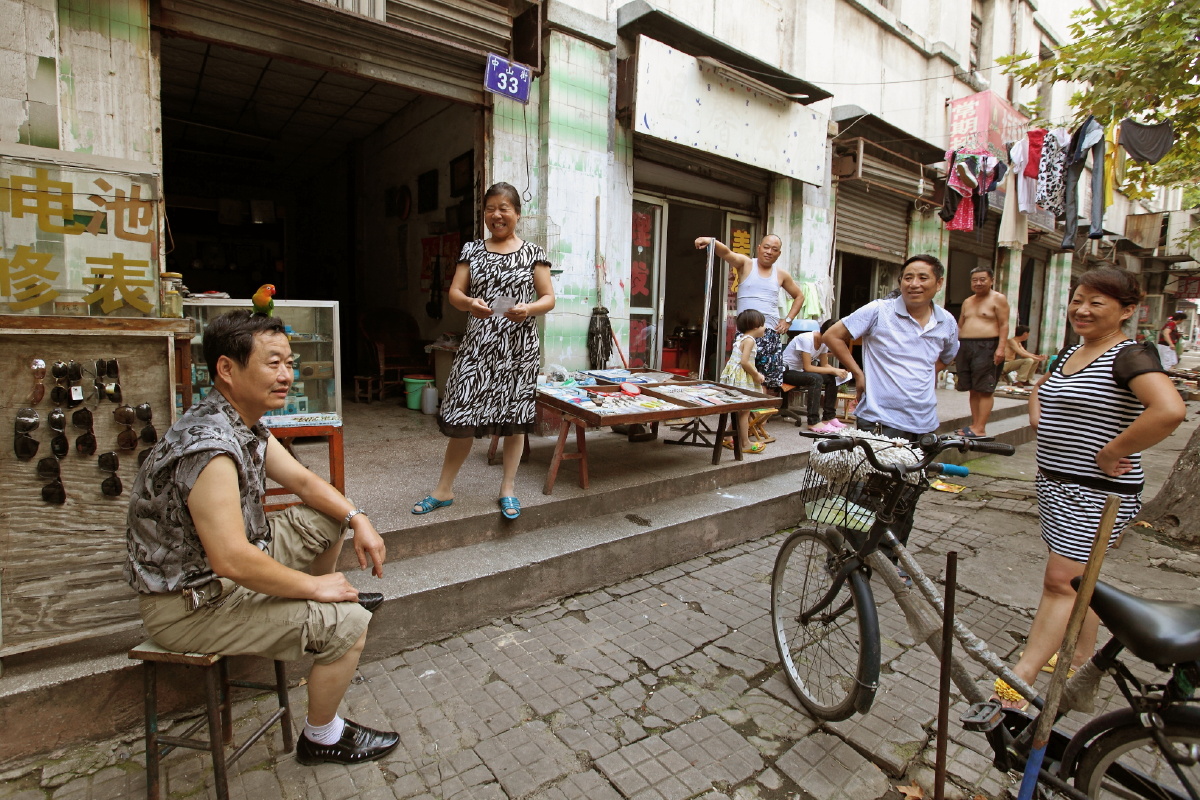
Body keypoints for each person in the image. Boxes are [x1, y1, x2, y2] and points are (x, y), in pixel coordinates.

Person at [124, 310, 399, 766]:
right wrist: (314, 587)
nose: (287, 375)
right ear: (227, 369)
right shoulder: (209, 448)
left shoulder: (239, 420)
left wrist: (358, 518)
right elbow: (231, 560)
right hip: (193, 604)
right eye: (273, 363)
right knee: (351, 628)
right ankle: (322, 737)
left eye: (289, 363)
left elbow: (307, 484)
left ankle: (322, 601)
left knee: (323, 516)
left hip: (233, 565)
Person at [993, 268, 1185, 710]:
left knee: (1061, 582)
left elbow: (1169, 410)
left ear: (1127, 310)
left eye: (1097, 303)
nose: (1082, 309)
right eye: (1078, 299)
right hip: (1057, 484)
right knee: (1083, 581)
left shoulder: (1129, 355)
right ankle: (1082, 661)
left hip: (1098, 490)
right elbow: (1041, 387)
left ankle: (1016, 685)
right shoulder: (1072, 351)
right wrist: (1041, 420)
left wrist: (1113, 449)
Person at [412, 182, 555, 521]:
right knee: (462, 414)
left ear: (517, 214)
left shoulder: (535, 254)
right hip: (477, 348)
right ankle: (443, 490)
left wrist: (529, 309)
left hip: (518, 351)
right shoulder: (471, 250)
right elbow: (455, 293)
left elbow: (548, 297)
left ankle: (508, 489)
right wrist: (469, 303)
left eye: (504, 208)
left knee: (514, 422)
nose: (496, 214)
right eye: (490, 208)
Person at [824, 254, 959, 555]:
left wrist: (917, 379)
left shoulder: (946, 321)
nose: (914, 283)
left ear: (939, 283)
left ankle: (889, 561)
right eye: (908, 277)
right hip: (879, 421)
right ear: (900, 282)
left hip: (923, 425)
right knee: (866, 495)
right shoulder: (879, 311)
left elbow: (946, 358)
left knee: (906, 497)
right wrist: (857, 373)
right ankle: (848, 558)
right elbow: (833, 336)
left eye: (923, 277)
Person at [693, 234, 805, 391]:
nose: (769, 252)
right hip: (746, 334)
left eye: (774, 249)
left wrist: (788, 320)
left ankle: (760, 414)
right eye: (766, 247)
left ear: (779, 254)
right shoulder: (746, 264)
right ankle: (743, 415)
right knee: (741, 377)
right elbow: (727, 253)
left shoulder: (781, 274)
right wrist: (711, 241)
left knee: (767, 382)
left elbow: (799, 296)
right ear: (758, 248)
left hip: (770, 334)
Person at [955, 265, 1010, 437]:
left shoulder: (998, 299)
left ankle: (980, 427)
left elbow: (1004, 324)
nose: (978, 283)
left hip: (988, 346)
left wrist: (1001, 348)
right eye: (974, 280)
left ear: (991, 280)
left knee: (985, 388)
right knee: (972, 388)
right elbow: (960, 324)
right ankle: (974, 425)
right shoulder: (968, 301)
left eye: (982, 279)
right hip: (966, 346)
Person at [781, 319, 849, 433]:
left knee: (831, 378)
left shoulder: (824, 342)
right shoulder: (806, 339)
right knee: (815, 378)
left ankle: (829, 417)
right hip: (786, 372)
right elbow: (808, 367)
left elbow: (824, 365)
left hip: (800, 372)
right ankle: (813, 422)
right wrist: (834, 371)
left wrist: (836, 370)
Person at [719, 308, 769, 454]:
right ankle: (745, 442)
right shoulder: (750, 340)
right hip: (742, 377)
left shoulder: (741, 338)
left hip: (735, 377)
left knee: (740, 411)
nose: (765, 327)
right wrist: (756, 375)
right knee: (745, 411)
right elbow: (745, 362)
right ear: (756, 326)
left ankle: (728, 438)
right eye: (763, 324)